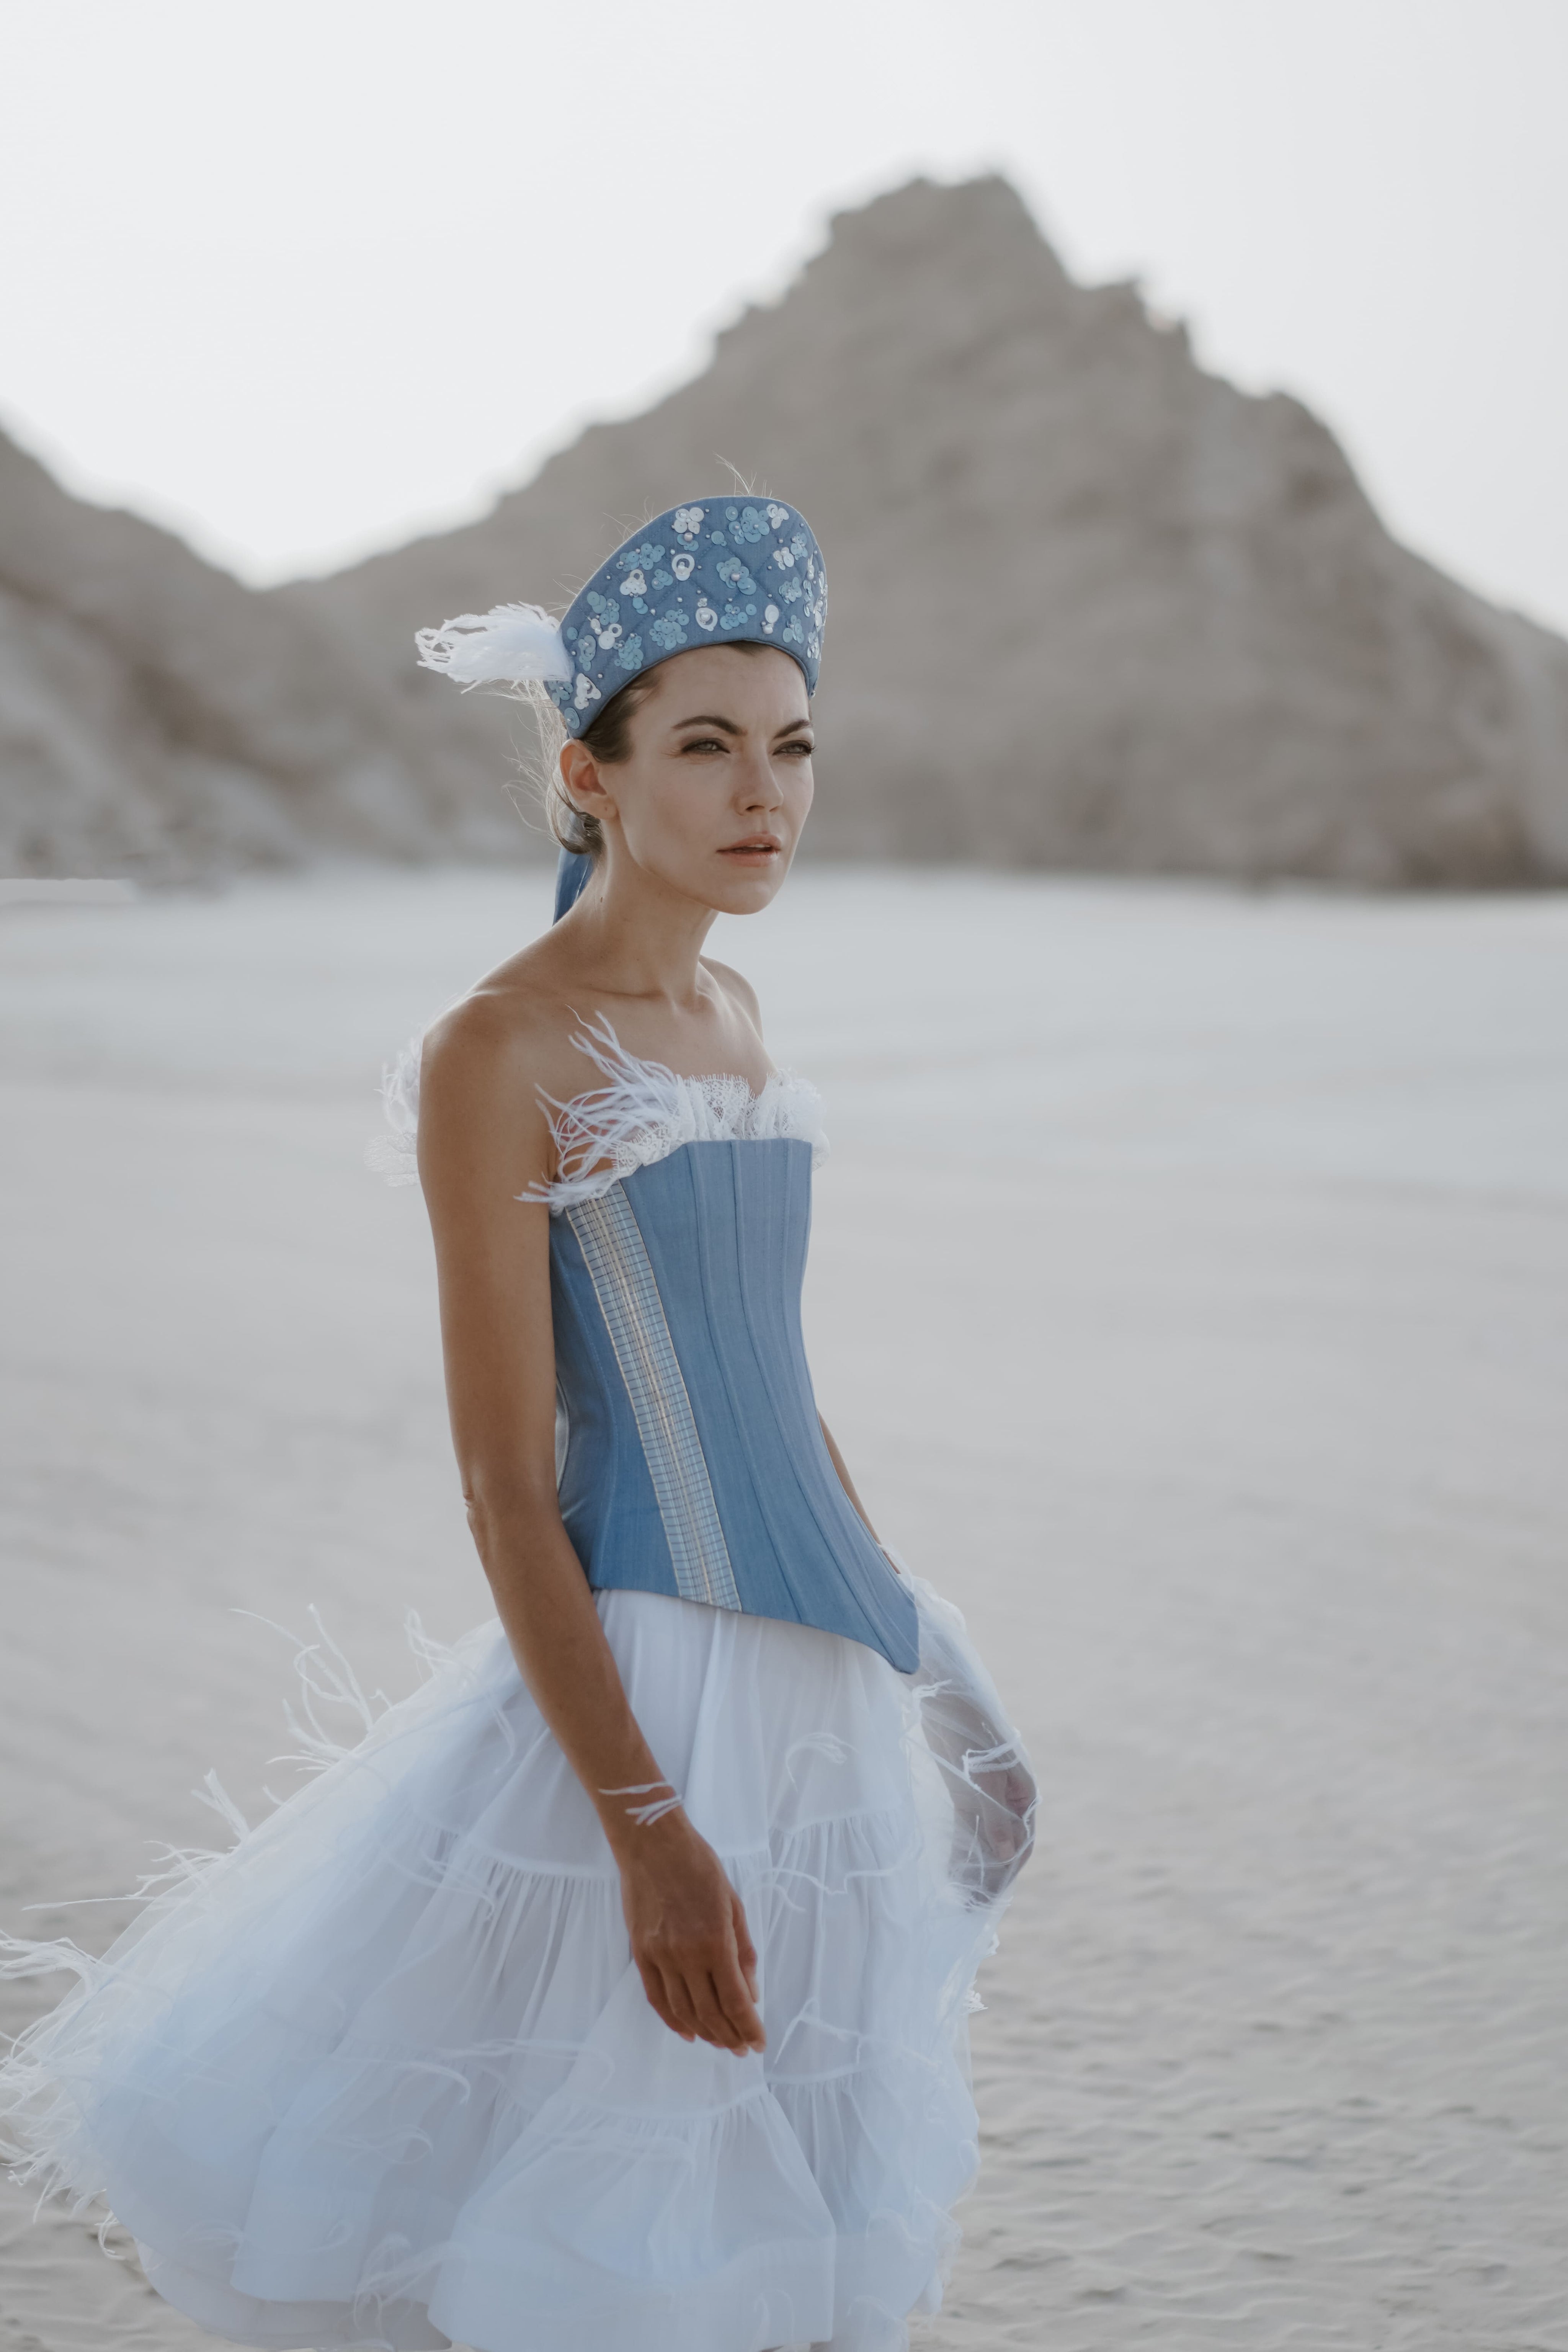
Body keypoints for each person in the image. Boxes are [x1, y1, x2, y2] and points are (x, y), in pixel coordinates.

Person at [0, 498, 1035, 2352]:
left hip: (814, 1701)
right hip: (640, 1691)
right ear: (590, 771)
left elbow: (782, 1399)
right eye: (705, 748)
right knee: (606, 2223)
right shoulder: (501, 1051)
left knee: (789, 2209)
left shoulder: (733, 1009)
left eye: (790, 749)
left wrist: (940, 1674)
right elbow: (502, 1486)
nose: (762, 796)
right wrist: (643, 1829)